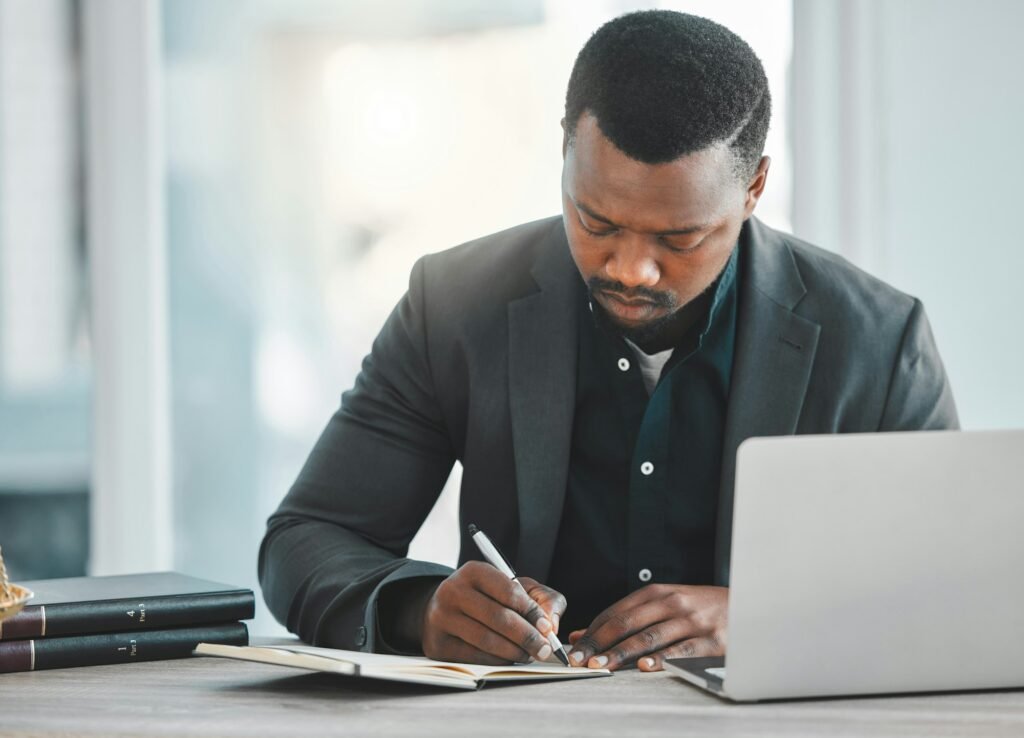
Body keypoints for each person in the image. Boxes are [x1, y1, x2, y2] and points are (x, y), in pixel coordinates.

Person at [258, 10, 958, 673]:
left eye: (678, 238)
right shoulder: (453, 304)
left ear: (755, 187)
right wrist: (421, 609)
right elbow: (306, 540)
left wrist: (770, 619)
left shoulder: (875, 339)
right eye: (595, 222)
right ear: (564, 157)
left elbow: (955, 583)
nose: (629, 269)